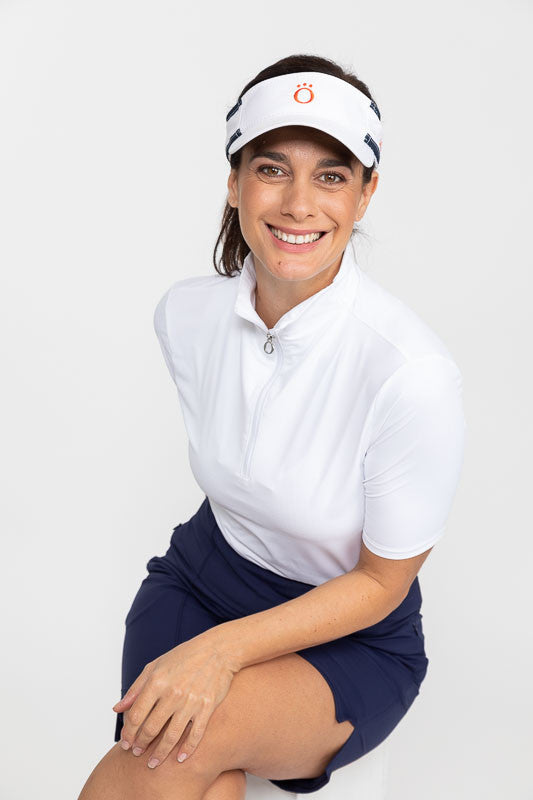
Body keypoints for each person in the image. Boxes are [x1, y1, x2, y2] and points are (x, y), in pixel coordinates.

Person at [78, 54, 466, 800]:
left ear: (364, 194)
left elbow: (384, 582)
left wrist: (221, 655)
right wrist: (206, 640)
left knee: (165, 757)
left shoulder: (409, 372)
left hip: (349, 635)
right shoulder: (185, 317)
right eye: (270, 168)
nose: (297, 202)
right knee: (200, 777)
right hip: (196, 589)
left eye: (330, 175)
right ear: (233, 183)